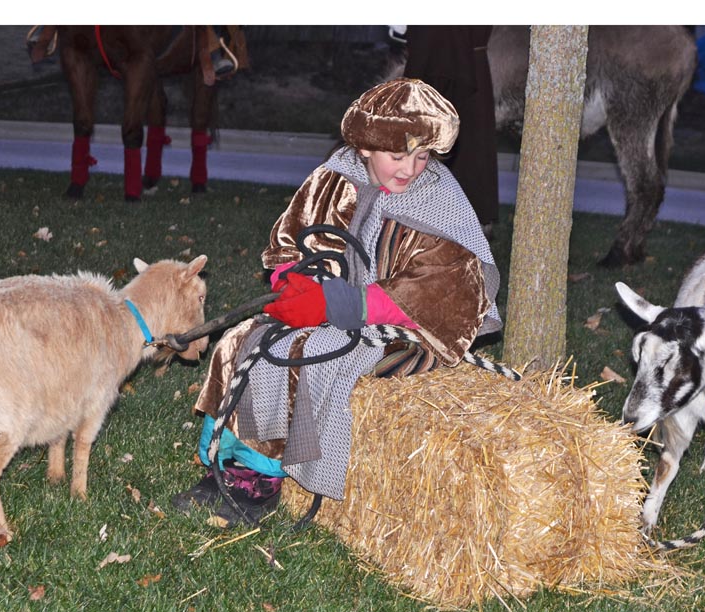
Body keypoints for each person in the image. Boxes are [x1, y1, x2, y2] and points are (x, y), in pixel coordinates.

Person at [171, 78, 502, 526]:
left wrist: (337, 305)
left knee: (310, 358)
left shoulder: (441, 201)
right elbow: (292, 241)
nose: (410, 168)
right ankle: (229, 465)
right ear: (365, 147)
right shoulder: (335, 176)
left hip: (402, 331)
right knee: (243, 341)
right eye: (397, 155)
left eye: (422, 156)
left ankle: (259, 483)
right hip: (329, 306)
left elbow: (441, 294)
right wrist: (295, 282)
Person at [402, 26, 500, 238]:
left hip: (442, 59)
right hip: (444, 59)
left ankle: (447, 220)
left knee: (433, 137)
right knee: (433, 139)